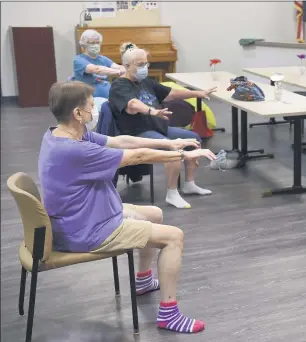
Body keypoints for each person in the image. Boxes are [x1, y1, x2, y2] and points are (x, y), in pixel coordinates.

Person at [38, 81, 216, 333]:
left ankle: (142, 281)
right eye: (91, 106)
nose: (95, 111)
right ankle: (169, 314)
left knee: (155, 214)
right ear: (78, 114)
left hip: (83, 216)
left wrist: (170, 143)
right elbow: (138, 157)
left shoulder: (61, 134)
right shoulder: (75, 150)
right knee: (174, 237)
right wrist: (183, 156)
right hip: (86, 230)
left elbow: (120, 141)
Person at [109, 45, 216, 209]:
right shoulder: (119, 86)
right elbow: (132, 104)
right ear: (127, 66)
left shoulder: (145, 82)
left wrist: (198, 93)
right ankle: (172, 193)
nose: (144, 67)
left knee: (193, 139)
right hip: (139, 134)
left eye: (145, 63)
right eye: (139, 64)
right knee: (172, 149)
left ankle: (189, 183)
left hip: (160, 128)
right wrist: (151, 111)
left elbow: (172, 93)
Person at [74, 29, 125, 98]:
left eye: (97, 42)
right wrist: (118, 72)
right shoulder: (79, 60)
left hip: (108, 97)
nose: (96, 45)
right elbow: (96, 69)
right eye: (92, 43)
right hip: (88, 100)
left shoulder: (103, 59)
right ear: (84, 44)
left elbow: (118, 66)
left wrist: (126, 69)